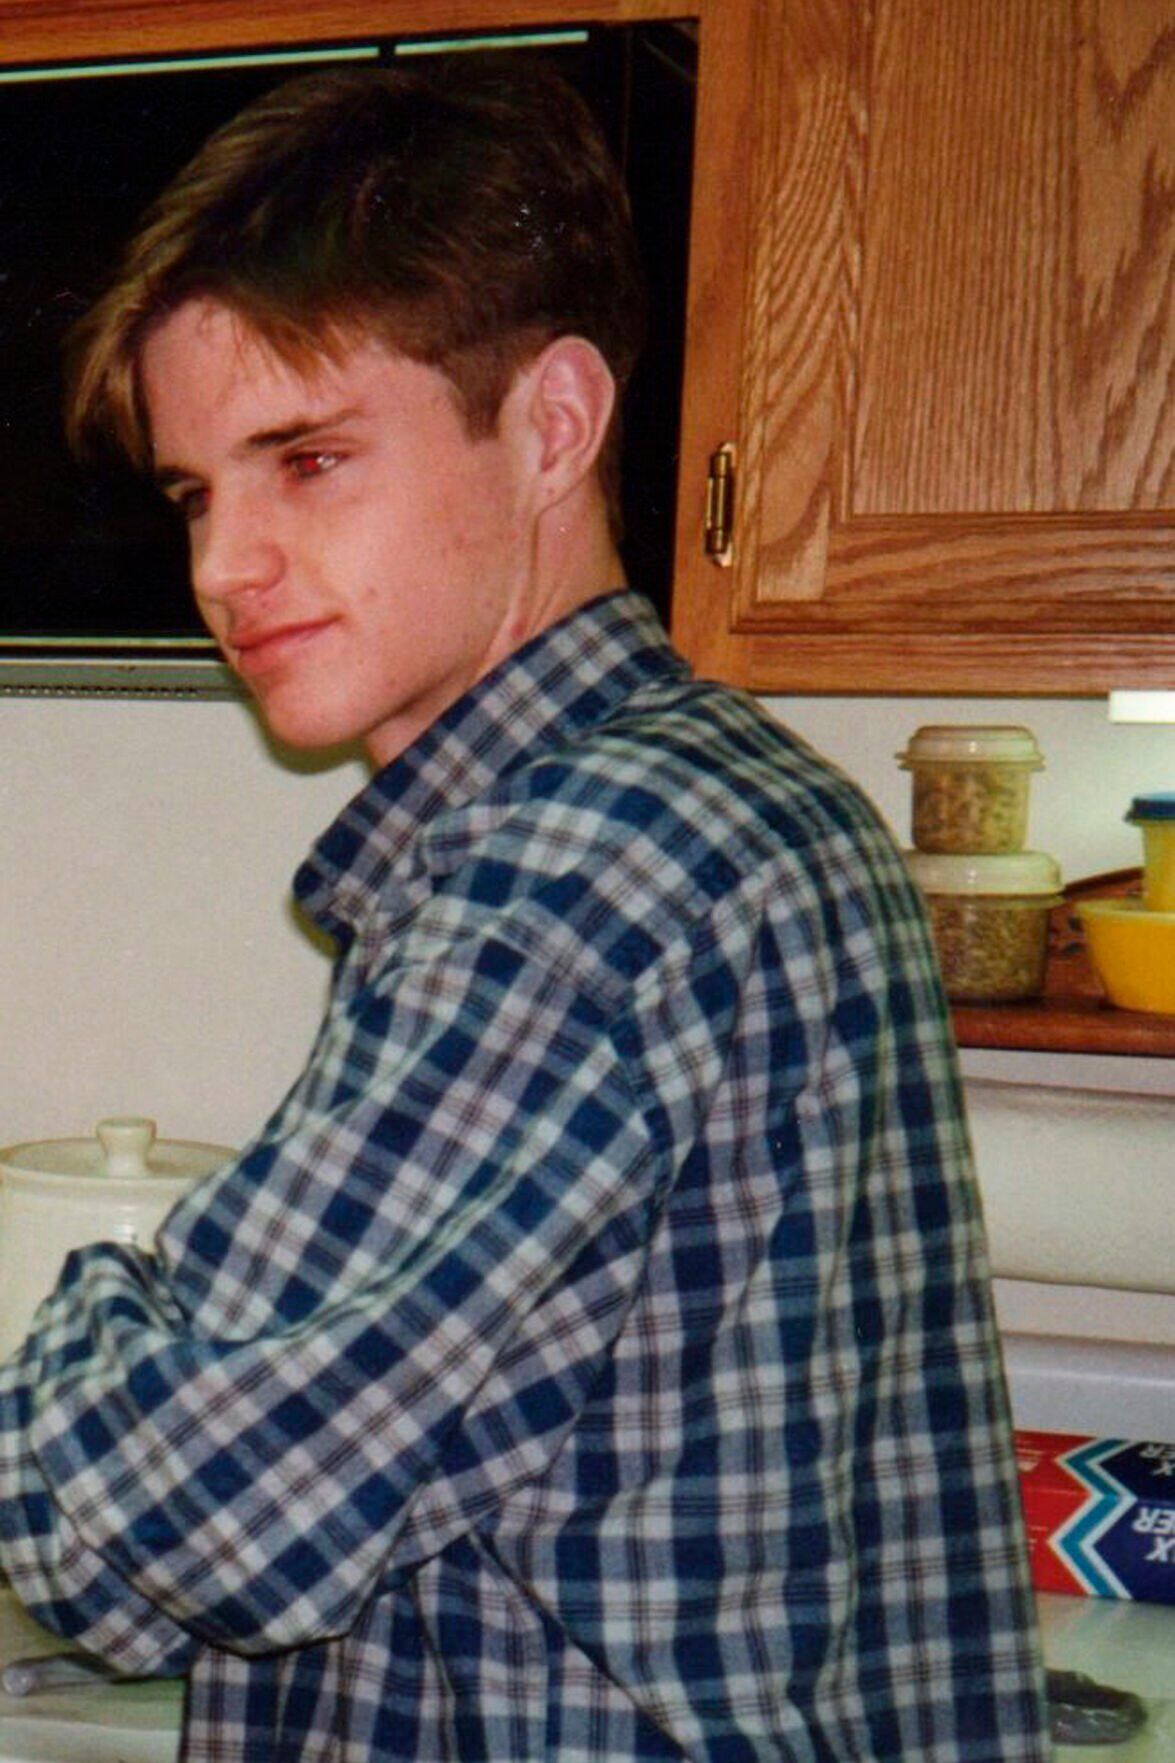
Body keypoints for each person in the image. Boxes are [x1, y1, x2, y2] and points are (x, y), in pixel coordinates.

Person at [0, 57, 1049, 1763]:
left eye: (308, 459)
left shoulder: (569, 876)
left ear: (553, 425)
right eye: (197, 491)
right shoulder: (754, 799)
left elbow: (170, 1531)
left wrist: (106, 1298)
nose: (220, 567)